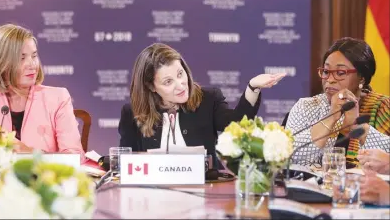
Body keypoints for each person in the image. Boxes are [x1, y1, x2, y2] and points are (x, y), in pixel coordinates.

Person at [118, 43, 286, 168]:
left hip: (206, 191)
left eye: (180, 74)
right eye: (168, 82)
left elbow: (236, 123)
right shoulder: (132, 113)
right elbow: (126, 162)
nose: (181, 85)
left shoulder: (208, 99)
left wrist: (253, 87)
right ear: (151, 86)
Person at [0, 24, 86, 163]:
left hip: (44, 181)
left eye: (34, 56)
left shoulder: (58, 98)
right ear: (1, 63)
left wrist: (28, 152)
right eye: (22, 58)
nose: (32, 64)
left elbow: (75, 157)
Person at [286, 37, 390, 166]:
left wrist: (358, 127)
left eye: (340, 73)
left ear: (362, 78)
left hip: (364, 185)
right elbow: (289, 156)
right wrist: (331, 118)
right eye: (326, 71)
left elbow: (386, 161)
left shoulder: (383, 107)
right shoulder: (306, 106)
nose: (330, 79)